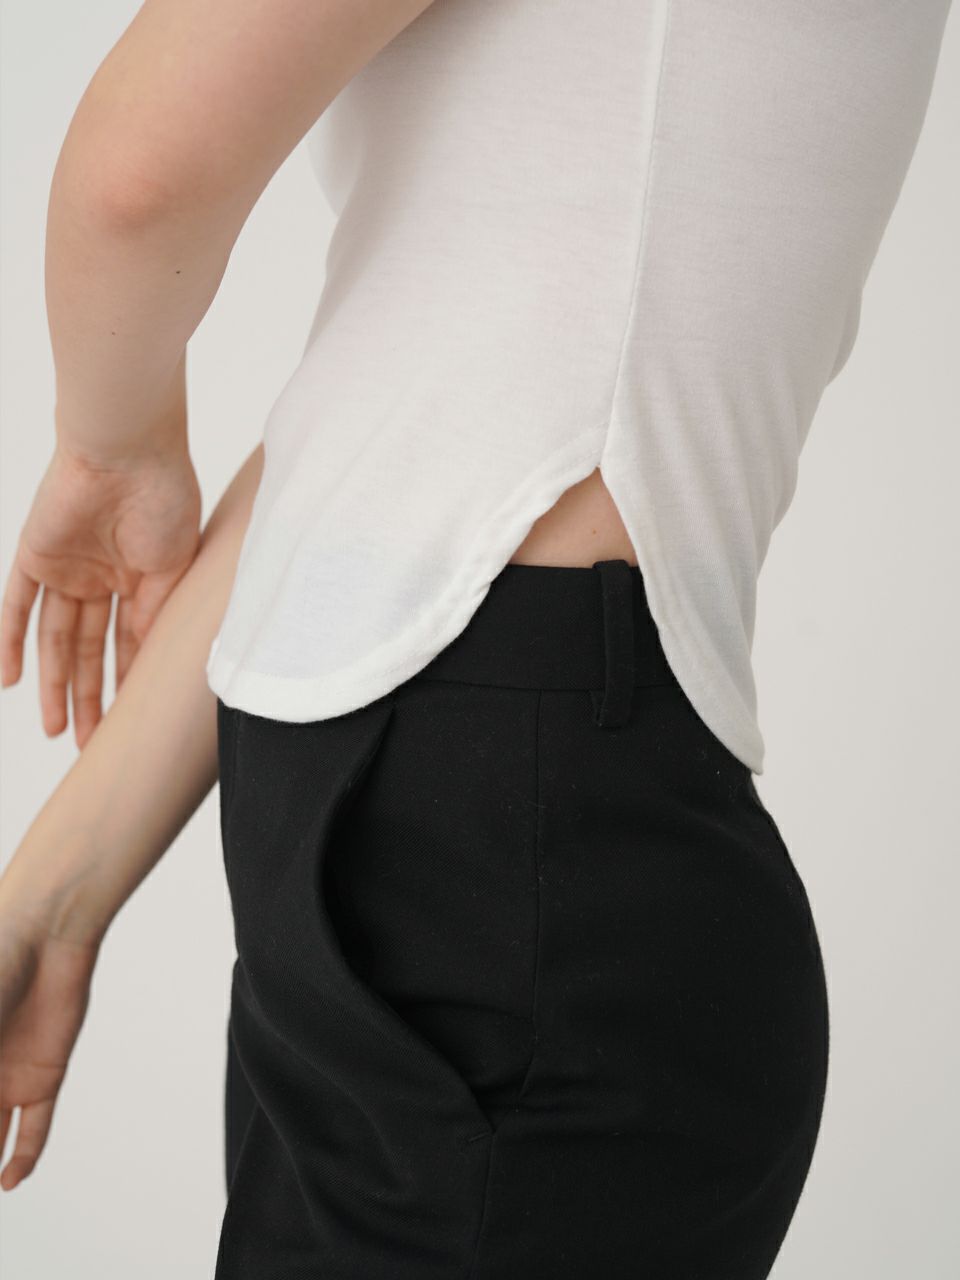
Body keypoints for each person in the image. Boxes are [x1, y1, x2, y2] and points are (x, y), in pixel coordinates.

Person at [0, 1, 953, 1276]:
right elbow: (397, 449)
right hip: (497, 871)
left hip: (508, 894)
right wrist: (53, 895)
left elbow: (138, 176)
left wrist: (108, 445)